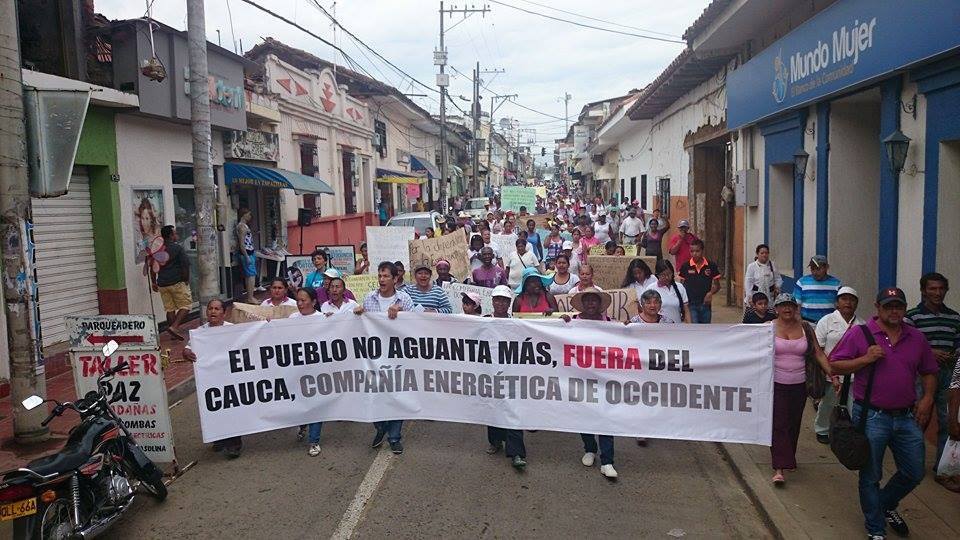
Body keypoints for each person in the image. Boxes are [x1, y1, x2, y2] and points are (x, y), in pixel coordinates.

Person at [830, 287, 939, 539]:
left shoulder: (916, 337)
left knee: (914, 471)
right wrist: (865, 359)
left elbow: (929, 371)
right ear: (877, 308)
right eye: (888, 306)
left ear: (905, 309)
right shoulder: (861, 333)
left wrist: (928, 398)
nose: (894, 311)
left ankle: (884, 504)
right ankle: (876, 529)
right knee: (871, 475)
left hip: (906, 417)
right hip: (871, 416)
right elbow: (834, 364)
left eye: (898, 306)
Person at [770, 293, 831, 485]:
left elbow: (818, 353)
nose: (787, 309)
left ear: (796, 308)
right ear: (776, 309)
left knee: (793, 422)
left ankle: (789, 457)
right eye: (783, 306)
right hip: (775, 383)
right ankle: (779, 467)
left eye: (790, 305)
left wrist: (832, 374)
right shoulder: (767, 328)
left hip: (800, 384)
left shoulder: (805, 328)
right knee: (779, 423)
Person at [355, 262, 416, 455]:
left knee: (397, 396)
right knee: (375, 395)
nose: (381, 280)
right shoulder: (369, 298)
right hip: (374, 357)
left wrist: (402, 314)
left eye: (386, 276)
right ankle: (381, 427)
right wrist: (358, 314)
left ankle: (394, 437)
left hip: (397, 356)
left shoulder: (404, 299)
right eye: (380, 276)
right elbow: (363, 326)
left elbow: (416, 325)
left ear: (395, 279)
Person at [560, 288, 618, 479]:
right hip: (580, 377)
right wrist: (559, 323)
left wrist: (626, 328)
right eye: (588, 300)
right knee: (584, 415)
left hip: (604, 378)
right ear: (582, 304)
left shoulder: (609, 323)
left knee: (605, 417)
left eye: (594, 300)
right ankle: (590, 448)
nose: (591, 303)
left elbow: (624, 340)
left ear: (600, 304)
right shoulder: (573, 322)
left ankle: (607, 461)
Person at [905, 272, 960, 470]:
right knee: (919, 418)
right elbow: (906, 346)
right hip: (921, 375)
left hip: (947, 374)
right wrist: (930, 352)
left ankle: (943, 467)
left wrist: (954, 353)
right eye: (932, 289)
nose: (937, 293)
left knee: (947, 421)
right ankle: (913, 464)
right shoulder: (912, 316)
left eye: (941, 288)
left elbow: (958, 343)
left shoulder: (954, 317)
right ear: (923, 291)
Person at [183, 299, 242, 458]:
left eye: (217, 309)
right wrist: (186, 352)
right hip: (211, 380)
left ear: (224, 312)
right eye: (210, 309)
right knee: (214, 408)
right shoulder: (200, 332)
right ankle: (219, 439)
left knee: (232, 409)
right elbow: (187, 348)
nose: (213, 312)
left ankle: (234, 443)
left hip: (230, 378)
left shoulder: (232, 330)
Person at [813, 286, 864, 443]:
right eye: (844, 299)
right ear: (837, 303)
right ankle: (822, 429)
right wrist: (827, 371)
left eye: (852, 300)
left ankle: (848, 432)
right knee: (828, 404)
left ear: (857, 304)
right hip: (831, 371)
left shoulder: (862, 324)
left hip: (853, 373)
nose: (848, 303)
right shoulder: (827, 321)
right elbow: (819, 349)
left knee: (852, 405)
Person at [485, 285, 528, 470]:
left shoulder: (517, 323)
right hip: (489, 373)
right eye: (497, 300)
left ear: (509, 303)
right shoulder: (482, 321)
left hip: (512, 374)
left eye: (504, 300)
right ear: (492, 301)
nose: (500, 303)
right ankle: (495, 441)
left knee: (513, 411)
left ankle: (516, 452)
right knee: (493, 408)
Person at [153, 225, 192, 340]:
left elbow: (153, 267)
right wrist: (186, 279)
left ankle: (173, 333)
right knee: (186, 306)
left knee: (170, 309)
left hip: (162, 284)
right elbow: (185, 264)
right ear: (171, 235)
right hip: (176, 282)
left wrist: (153, 282)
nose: (177, 235)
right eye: (175, 233)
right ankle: (174, 327)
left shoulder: (158, 249)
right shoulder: (178, 248)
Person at [677, 239, 721, 324]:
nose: (694, 254)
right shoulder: (685, 266)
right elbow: (681, 286)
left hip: (706, 305)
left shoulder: (711, 266)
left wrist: (710, 293)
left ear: (702, 251)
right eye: (692, 251)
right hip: (691, 305)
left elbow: (717, 286)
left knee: (705, 329)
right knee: (694, 328)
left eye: (697, 251)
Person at [794, 255, 842, 324]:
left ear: (827, 267)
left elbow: (840, 306)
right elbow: (796, 305)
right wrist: (799, 321)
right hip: (807, 322)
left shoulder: (836, 284)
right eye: (812, 269)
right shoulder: (802, 282)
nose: (815, 272)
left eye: (818, 269)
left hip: (829, 323)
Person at [644, 259, 691, 324]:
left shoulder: (680, 287)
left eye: (669, 274)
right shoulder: (651, 288)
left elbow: (686, 310)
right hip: (658, 327)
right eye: (663, 275)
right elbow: (646, 310)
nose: (667, 277)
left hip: (677, 326)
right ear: (657, 275)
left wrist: (689, 325)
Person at [743, 244, 782, 310]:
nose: (764, 255)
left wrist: (777, 287)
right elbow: (748, 282)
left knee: (769, 313)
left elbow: (778, 278)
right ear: (757, 254)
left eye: (766, 253)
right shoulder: (752, 266)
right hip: (756, 296)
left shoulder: (773, 265)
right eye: (762, 253)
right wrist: (749, 297)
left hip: (770, 297)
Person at [236, 208, 257, 304]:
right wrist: (246, 256)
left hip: (250, 252)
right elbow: (242, 243)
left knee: (251, 275)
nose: (250, 216)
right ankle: (250, 297)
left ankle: (250, 296)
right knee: (251, 275)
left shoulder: (244, 226)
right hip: (247, 253)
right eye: (248, 214)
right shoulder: (242, 227)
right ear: (244, 215)